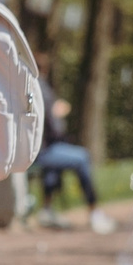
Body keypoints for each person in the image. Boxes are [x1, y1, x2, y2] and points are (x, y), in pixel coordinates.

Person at [35, 92, 107, 230]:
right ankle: (94, 212)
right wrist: (55, 112)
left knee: (58, 162)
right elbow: (54, 128)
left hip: (41, 149)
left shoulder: (37, 82)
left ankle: (47, 209)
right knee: (82, 157)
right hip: (41, 151)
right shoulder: (39, 84)